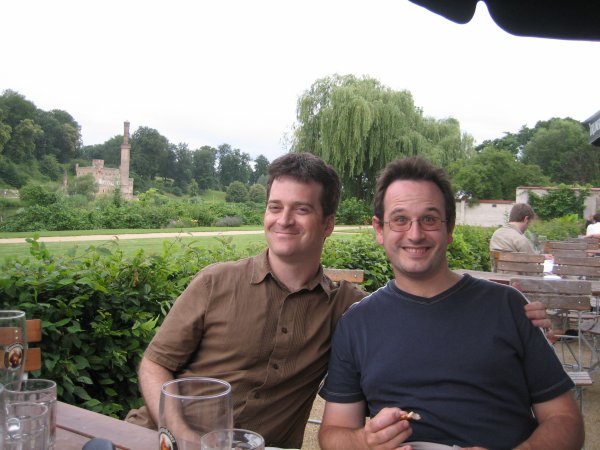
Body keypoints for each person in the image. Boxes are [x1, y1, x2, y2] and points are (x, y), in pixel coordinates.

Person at [126, 153, 550, 448]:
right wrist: (183, 436)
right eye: (275, 207)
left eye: (301, 210)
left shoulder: (348, 310)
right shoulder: (215, 282)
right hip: (156, 438)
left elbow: (417, 309)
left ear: (328, 223)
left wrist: (518, 317)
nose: (284, 220)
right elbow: (155, 363)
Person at [318, 157, 583, 450]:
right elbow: (334, 433)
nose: (415, 234)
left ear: (450, 229)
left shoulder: (508, 307)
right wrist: (364, 441)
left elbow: (565, 420)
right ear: (379, 230)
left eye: (430, 219)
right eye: (400, 219)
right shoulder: (356, 324)